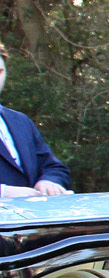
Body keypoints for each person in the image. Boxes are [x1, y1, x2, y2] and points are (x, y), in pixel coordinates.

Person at [0, 46, 70, 197]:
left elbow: (54, 167)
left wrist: (49, 181)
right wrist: (3, 192)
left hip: (33, 219)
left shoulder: (20, 121)